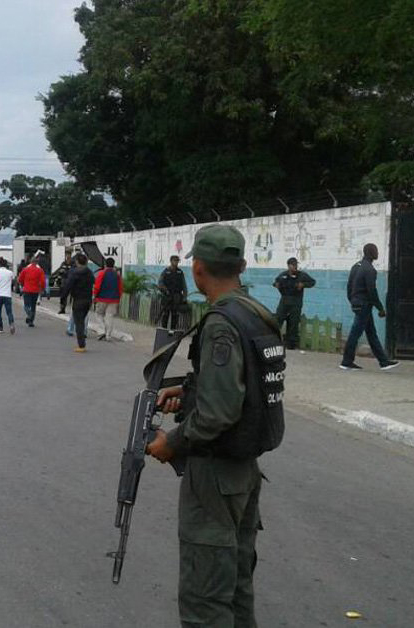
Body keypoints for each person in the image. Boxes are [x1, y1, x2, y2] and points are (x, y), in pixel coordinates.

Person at [148, 224, 284, 627]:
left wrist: (172, 443)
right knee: (237, 588)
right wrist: (188, 394)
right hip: (243, 471)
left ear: (198, 267)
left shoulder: (222, 323)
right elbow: (244, 389)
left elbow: (220, 412)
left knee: (206, 599)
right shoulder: (256, 314)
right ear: (242, 265)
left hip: (216, 474)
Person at [340, 244, 399, 370]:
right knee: (355, 334)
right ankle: (346, 361)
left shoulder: (356, 266)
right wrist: (380, 308)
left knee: (371, 333)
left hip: (357, 303)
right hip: (364, 305)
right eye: (376, 250)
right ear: (371, 253)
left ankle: (383, 362)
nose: (377, 253)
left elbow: (349, 287)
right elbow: (372, 291)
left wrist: (353, 300)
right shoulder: (370, 270)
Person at [273, 257, 316, 350]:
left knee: (293, 322)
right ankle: (273, 340)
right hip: (284, 301)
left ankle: (291, 344)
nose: (295, 267)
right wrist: (276, 285)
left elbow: (313, 282)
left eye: (296, 264)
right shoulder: (283, 275)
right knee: (278, 319)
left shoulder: (302, 275)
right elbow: (276, 281)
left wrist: (303, 285)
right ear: (288, 266)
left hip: (296, 302)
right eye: (293, 265)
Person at [59, 253, 94, 352]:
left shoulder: (74, 273)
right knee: (82, 320)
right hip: (88, 299)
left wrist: (63, 299)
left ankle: (81, 345)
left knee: (79, 322)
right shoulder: (89, 273)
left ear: (77, 262)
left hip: (78, 299)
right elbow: (93, 283)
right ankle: (82, 341)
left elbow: (67, 287)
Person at [93, 257, 123, 341]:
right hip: (114, 299)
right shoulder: (117, 275)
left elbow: (97, 286)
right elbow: (120, 288)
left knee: (99, 314)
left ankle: (101, 331)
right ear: (113, 265)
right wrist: (119, 298)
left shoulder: (102, 273)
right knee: (110, 317)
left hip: (102, 298)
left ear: (106, 264)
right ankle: (108, 335)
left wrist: (94, 295)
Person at [158, 255, 188, 330]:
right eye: (175, 260)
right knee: (166, 314)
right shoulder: (166, 271)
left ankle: (173, 330)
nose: (176, 262)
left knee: (175, 314)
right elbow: (160, 283)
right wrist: (165, 290)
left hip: (176, 296)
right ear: (171, 261)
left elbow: (184, 285)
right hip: (167, 296)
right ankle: (164, 330)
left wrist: (184, 297)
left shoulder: (180, 272)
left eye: (177, 261)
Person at [18, 256, 45, 327]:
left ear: (31, 262)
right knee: (33, 306)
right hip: (35, 290)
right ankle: (31, 322)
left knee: (26, 306)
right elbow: (42, 281)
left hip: (27, 290)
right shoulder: (40, 270)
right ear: (36, 263)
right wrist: (42, 289)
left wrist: (22, 284)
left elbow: (20, 279)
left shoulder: (25, 269)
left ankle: (29, 314)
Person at [0, 259, 16, 334]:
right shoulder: (10, 273)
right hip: (7, 295)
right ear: (6, 265)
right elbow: (14, 281)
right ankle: (11, 324)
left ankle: (0, 327)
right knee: (9, 312)